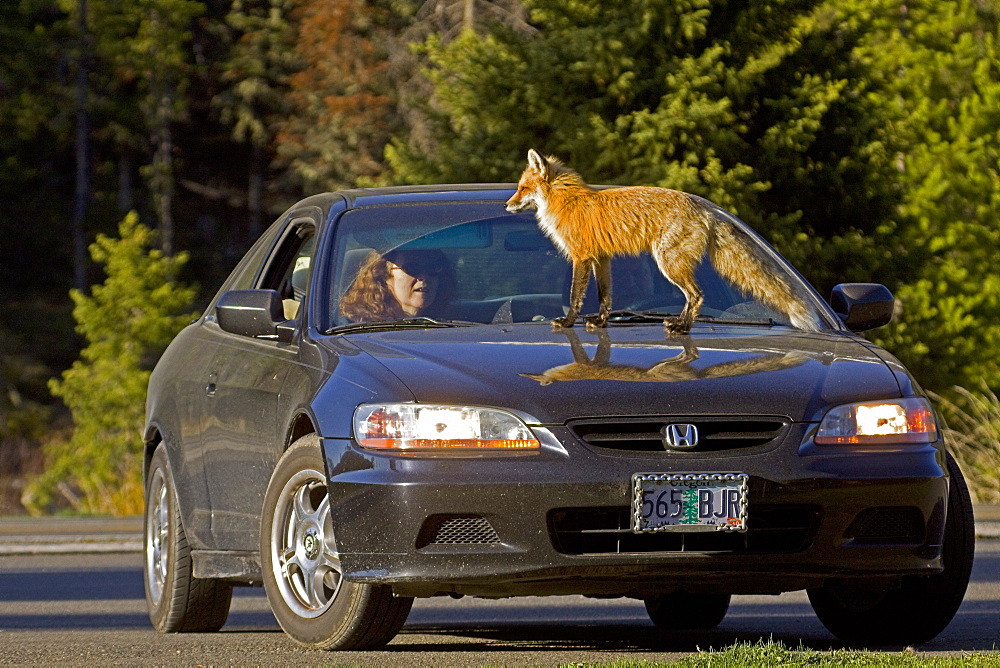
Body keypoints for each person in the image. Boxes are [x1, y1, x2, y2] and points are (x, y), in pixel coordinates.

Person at [339, 248, 456, 322]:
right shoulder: (354, 329)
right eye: (412, 268)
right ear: (384, 275)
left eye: (433, 269)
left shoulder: (453, 328)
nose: (424, 277)